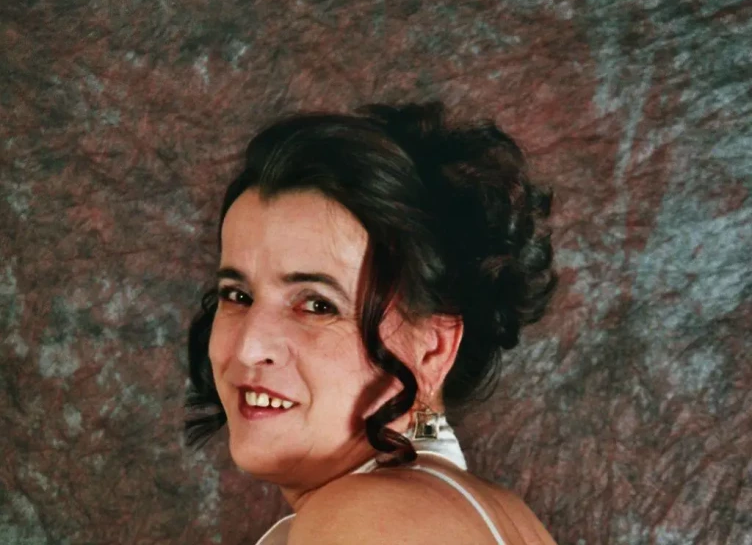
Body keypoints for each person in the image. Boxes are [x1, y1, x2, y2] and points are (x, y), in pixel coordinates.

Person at [185, 101, 559, 544]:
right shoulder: (505, 516)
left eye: (317, 305)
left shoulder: (365, 519)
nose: (249, 347)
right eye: (238, 296)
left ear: (432, 349)